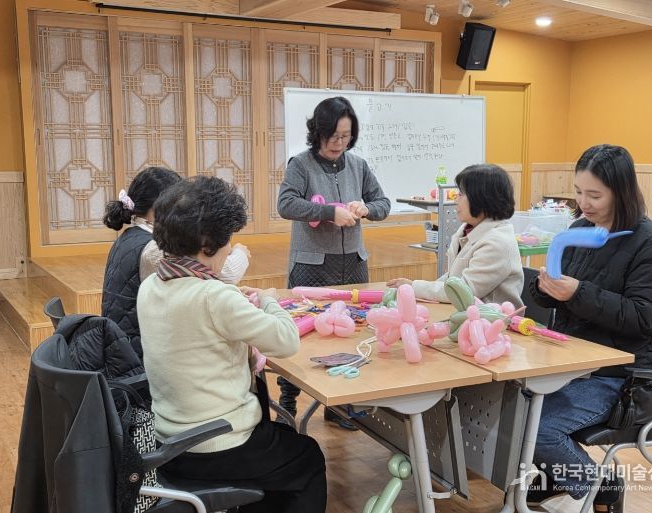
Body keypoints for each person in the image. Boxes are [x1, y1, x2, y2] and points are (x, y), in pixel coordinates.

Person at [138, 176, 326, 513]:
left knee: (279, 453)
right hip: (217, 446)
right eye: (228, 240)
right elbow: (286, 340)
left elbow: (196, 319)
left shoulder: (151, 285)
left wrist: (232, 298)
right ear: (208, 243)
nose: (230, 249)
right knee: (306, 456)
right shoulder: (215, 297)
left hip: (168, 442)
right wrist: (268, 300)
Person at [527, 144, 652, 512]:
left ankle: (602, 487)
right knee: (510, 410)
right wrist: (544, 289)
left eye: (594, 195)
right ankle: (556, 474)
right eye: (578, 192)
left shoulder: (651, 244)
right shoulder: (581, 229)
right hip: (574, 361)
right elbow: (563, 292)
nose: (583, 203)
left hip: (623, 376)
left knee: (536, 427)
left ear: (621, 191)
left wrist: (578, 293)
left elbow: (649, 318)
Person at [277, 96, 391, 428]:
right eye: (334, 136)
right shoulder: (301, 165)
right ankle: (287, 404)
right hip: (312, 266)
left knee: (352, 332)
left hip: (353, 263)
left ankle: (340, 406)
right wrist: (329, 212)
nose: (339, 143)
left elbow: (382, 203)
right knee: (301, 335)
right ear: (318, 132)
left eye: (346, 137)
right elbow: (286, 204)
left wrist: (366, 209)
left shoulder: (358, 165)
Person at [102, 166, 251, 357]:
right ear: (160, 207)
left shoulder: (128, 237)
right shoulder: (153, 249)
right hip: (137, 356)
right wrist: (240, 252)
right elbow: (225, 273)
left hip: (122, 345)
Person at [387, 164, 523, 307]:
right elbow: (452, 278)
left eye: (461, 194)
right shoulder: (466, 229)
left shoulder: (497, 242)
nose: (455, 200)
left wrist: (414, 287)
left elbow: (462, 291)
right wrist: (416, 287)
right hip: (465, 312)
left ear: (482, 198)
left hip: (494, 319)